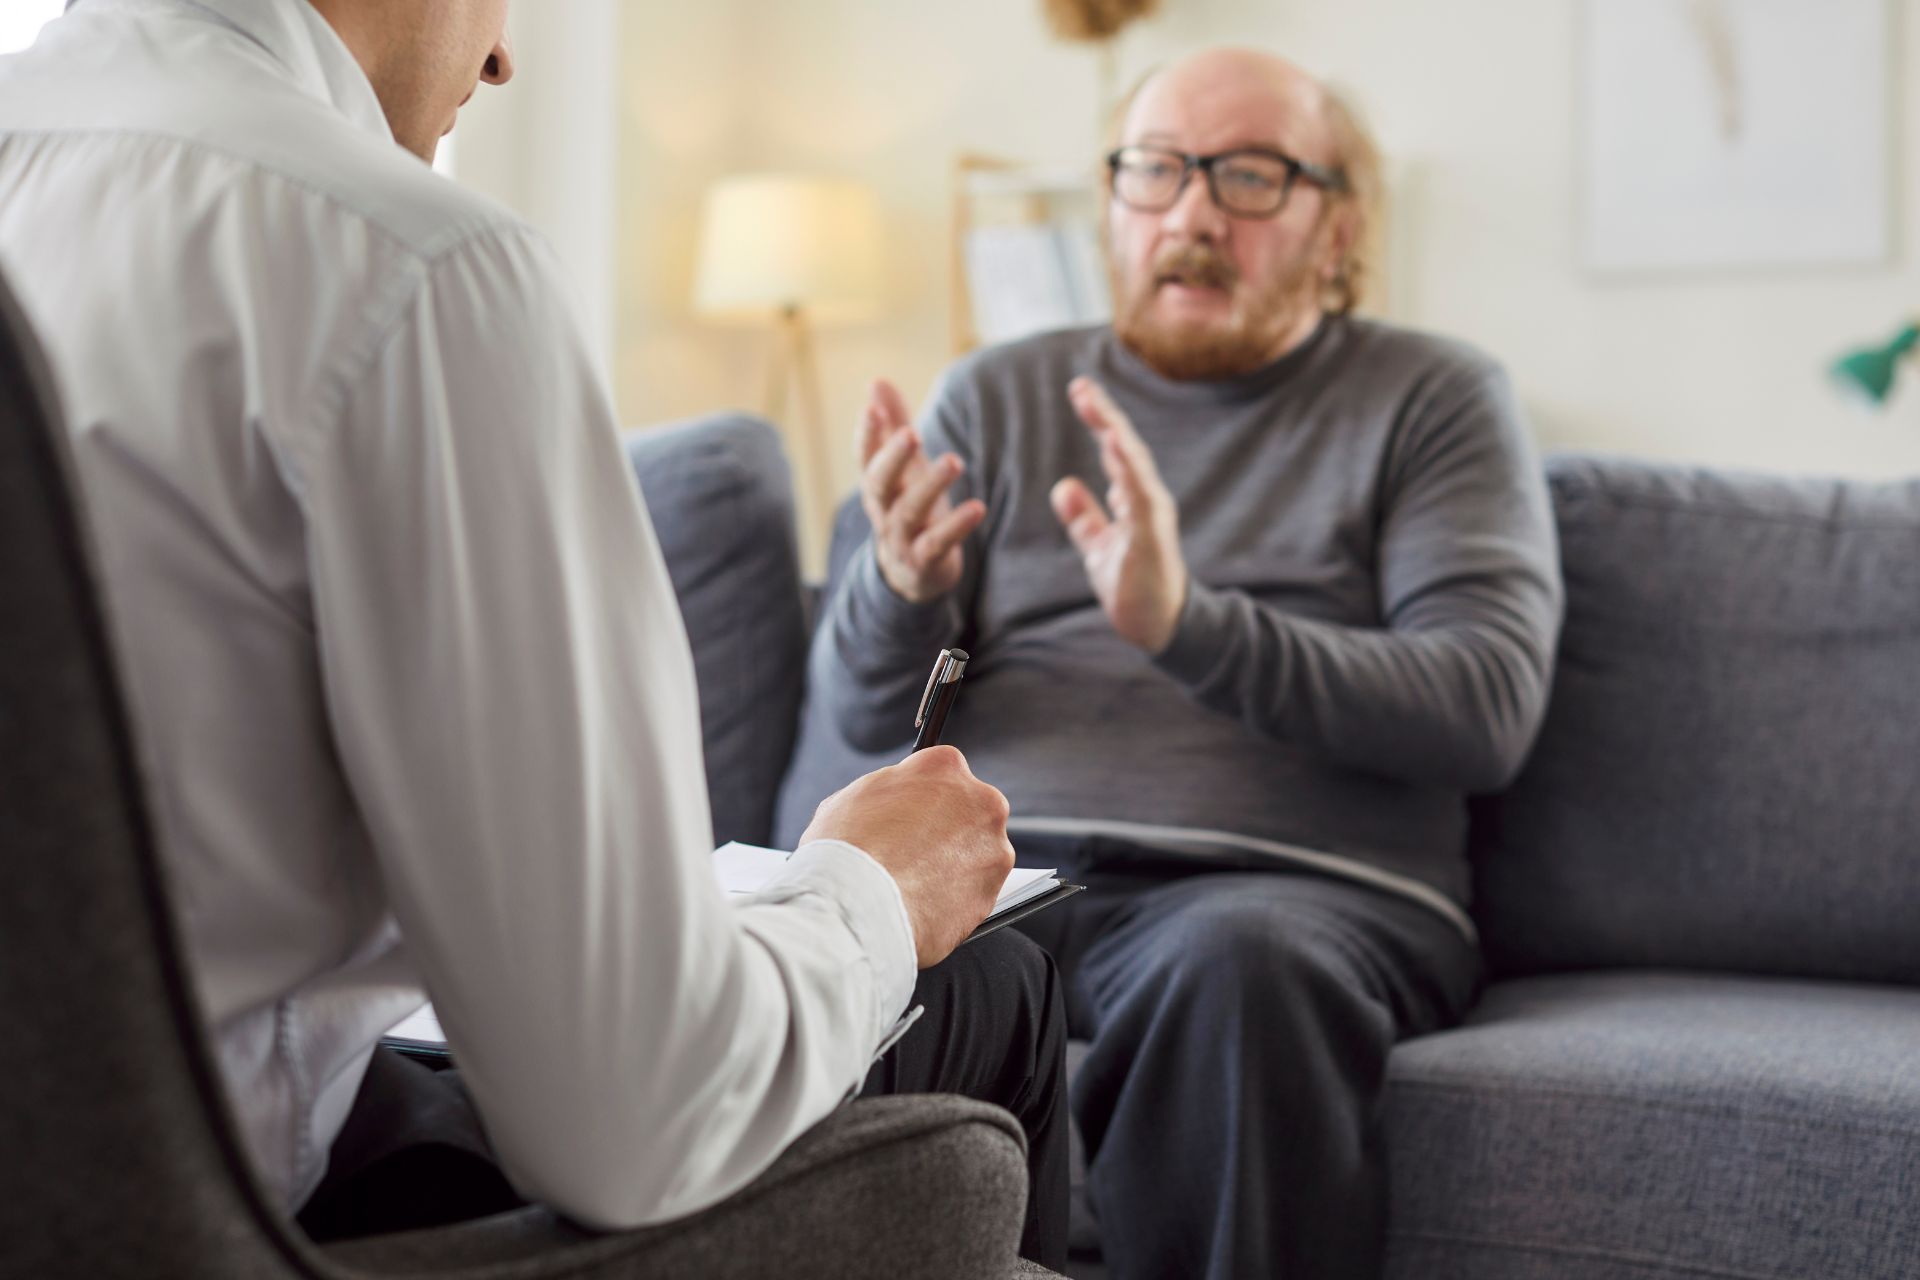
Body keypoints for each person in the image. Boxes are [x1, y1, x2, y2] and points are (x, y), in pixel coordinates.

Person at [0, 0, 1067, 1265]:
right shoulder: (407, 264)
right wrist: (871, 886)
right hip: (230, 1217)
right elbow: (642, 1116)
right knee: (994, 983)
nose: (505, 55)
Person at [803, 47, 1565, 1280]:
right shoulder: (995, 395)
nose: (1194, 212)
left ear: (1340, 226)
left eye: (1251, 176)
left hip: (1284, 897)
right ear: (1111, 203)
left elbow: (1483, 706)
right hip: (1007, 874)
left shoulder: (1433, 398)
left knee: (1234, 966)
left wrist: (1191, 626)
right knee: (826, 952)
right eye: (1154, 170)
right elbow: (861, 715)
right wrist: (902, 589)